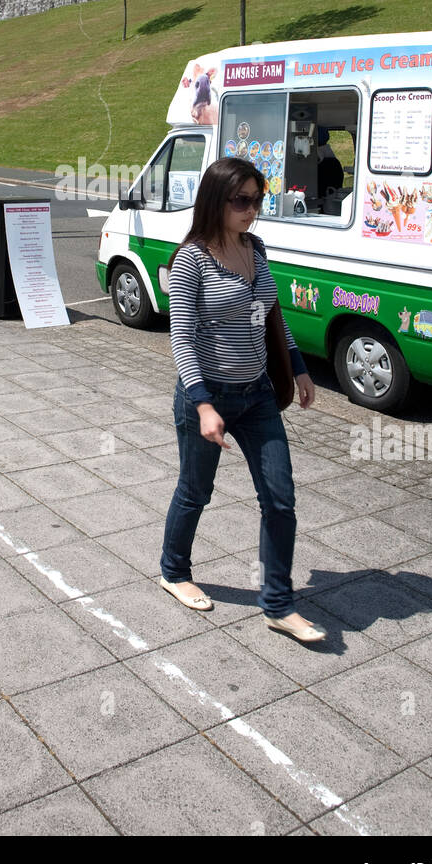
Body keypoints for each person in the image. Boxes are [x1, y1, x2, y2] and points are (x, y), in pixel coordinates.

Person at [160, 156, 327, 642]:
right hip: (206, 396)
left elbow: (272, 315)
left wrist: (297, 367)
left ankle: (277, 603)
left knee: (280, 499)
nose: (252, 210)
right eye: (242, 201)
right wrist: (204, 404)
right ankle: (173, 571)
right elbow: (182, 338)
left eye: (258, 199)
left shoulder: (256, 247)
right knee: (196, 492)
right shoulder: (190, 259)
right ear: (216, 200)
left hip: (257, 396)